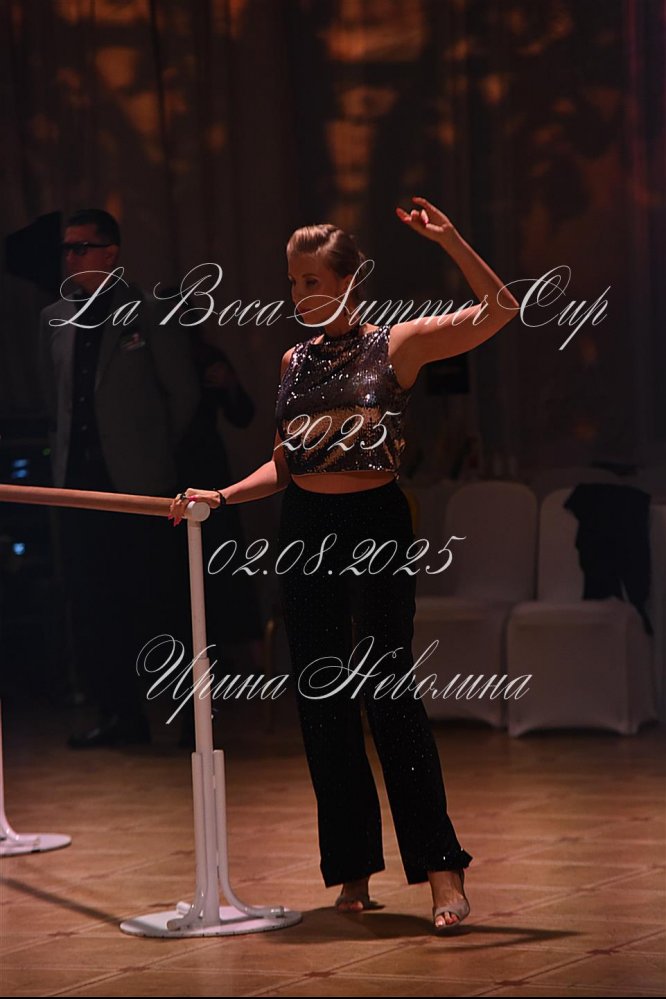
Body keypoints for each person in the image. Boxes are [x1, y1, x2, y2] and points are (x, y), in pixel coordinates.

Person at [170, 197, 520, 931]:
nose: (300, 295)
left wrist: (451, 239)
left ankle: (442, 870)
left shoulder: (396, 346)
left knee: (390, 695)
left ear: (349, 281)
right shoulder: (293, 361)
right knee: (322, 701)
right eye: (293, 282)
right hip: (306, 528)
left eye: (312, 281)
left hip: (374, 526)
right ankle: (352, 867)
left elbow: (500, 310)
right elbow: (286, 463)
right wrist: (222, 495)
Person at [39, 208, 200, 748]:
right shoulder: (54, 318)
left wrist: (150, 454)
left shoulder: (149, 310)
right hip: (77, 483)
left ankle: (188, 714)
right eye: (66, 249)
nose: (70, 258)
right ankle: (119, 714)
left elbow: (182, 394)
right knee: (92, 602)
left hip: (138, 483)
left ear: (110, 253)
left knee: (157, 598)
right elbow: (54, 400)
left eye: (80, 247)